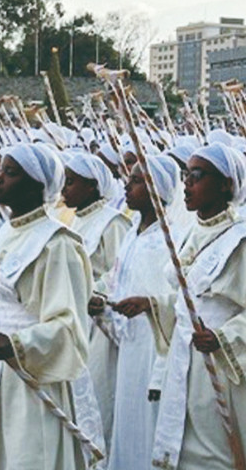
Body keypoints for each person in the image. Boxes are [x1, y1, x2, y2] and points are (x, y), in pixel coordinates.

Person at [0, 143, 101, 469]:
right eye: (1, 171)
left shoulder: (56, 243)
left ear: (38, 185)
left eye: (11, 173)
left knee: (31, 453)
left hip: (37, 370)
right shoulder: (10, 231)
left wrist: (17, 343)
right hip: (2, 370)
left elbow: (68, 325)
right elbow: (7, 298)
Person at [150, 143, 246, 470]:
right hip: (183, 360)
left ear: (226, 185)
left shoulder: (240, 240)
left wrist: (224, 335)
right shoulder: (192, 232)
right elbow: (186, 303)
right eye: (185, 175)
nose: (187, 184)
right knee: (180, 449)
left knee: (215, 455)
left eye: (197, 175)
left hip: (220, 366)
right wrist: (152, 305)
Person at [90, 157, 184, 470]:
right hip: (129, 344)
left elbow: (182, 298)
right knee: (126, 420)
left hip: (155, 348)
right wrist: (100, 299)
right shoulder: (132, 233)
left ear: (159, 188)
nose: (127, 187)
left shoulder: (170, 239)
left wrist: (151, 303)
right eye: (128, 180)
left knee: (148, 424)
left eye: (138, 181)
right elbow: (117, 280)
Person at [62, 151, 129, 436]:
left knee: (101, 397)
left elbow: (122, 277)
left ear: (93, 186)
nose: (65, 189)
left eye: (72, 182)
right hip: (78, 324)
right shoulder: (74, 222)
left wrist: (98, 294)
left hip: (102, 328)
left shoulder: (112, 222)